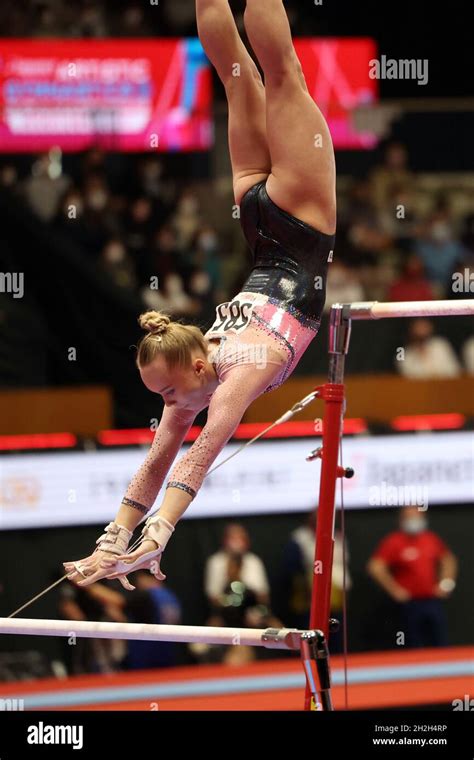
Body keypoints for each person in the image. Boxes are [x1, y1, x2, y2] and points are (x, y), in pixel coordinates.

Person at [64, 0, 336, 589]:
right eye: (162, 393)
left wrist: (148, 536)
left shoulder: (238, 365)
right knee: (248, 69)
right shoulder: (202, 372)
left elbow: (202, 448)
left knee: (270, 68)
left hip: (292, 223)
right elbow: (159, 460)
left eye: (165, 388)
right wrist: (115, 543)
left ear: (192, 363)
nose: (167, 402)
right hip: (266, 221)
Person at [367, 507, 458, 647]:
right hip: (409, 604)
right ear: (402, 520)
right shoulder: (394, 542)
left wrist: (446, 583)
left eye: (417, 517)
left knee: (440, 641)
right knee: (413, 644)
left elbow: (448, 559)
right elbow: (375, 566)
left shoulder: (430, 539)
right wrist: (394, 590)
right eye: (410, 517)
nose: (414, 521)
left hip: (432, 600)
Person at [396, 318, 462, 379]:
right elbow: (404, 376)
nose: (421, 329)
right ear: (411, 329)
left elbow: (454, 370)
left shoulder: (441, 345)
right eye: (418, 326)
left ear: (430, 327)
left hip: (445, 385)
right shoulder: (402, 351)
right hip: (418, 389)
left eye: (424, 326)